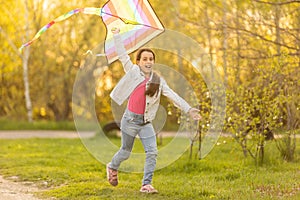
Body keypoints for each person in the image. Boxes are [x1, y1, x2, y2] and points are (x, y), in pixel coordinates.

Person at [106, 27, 201, 193]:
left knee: (152, 152)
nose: (148, 61)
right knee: (125, 152)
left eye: (151, 59)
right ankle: (112, 166)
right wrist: (116, 35)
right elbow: (122, 55)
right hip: (129, 120)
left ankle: (146, 184)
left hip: (145, 123)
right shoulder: (133, 71)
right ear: (139, 62)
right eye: (145, 59)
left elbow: (172, 95)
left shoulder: (158, 81)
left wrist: (189, 109)